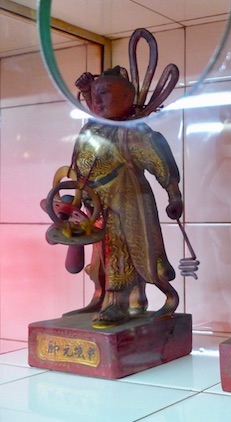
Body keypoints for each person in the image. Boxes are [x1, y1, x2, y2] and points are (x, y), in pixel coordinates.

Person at [70, 66, 183, 328]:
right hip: (95, 203)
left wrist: (173, 195)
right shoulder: (92, 129)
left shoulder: (132, 132)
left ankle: (117, 300)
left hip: (125, 199)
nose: (97, 100)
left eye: (104, 93)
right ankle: (127, 299)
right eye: (94, 95)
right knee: (101, 254)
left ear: (126, 98)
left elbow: (159, 161)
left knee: (121, 248)